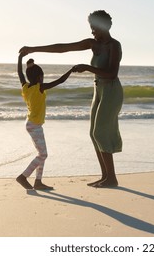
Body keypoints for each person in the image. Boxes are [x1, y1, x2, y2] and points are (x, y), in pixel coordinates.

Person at [20, 10, 123, 188]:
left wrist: (88, 68)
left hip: (111, 90)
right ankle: (105, 176)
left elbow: (112, 74)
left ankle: (112, 178)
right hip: (99, 89)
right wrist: (34, 49)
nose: (92, 32)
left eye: (95, 28)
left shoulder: (114, 45)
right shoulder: (92, 43)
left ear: (104, 26)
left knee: (100, 132)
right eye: (91, 29)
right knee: (93, 133)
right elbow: (63, 47)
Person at [16, 53, 72, 190]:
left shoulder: (25, 87)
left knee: (41, 154)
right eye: (42, 76)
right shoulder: (40, 87)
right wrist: (72, 70)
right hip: (34, 125)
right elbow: (60, 81)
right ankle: (23, 177)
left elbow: (20, 73)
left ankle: (38, 182)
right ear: (39, 77)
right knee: (43, 154)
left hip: (32, 124)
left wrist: (20, 58)